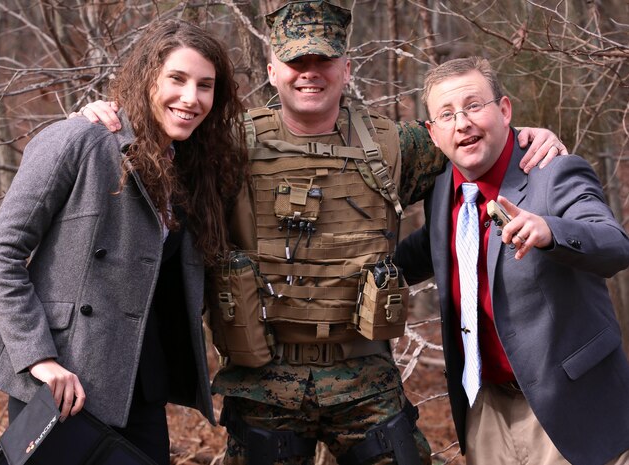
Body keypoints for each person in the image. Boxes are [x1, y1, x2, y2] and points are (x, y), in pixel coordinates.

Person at [76, 3, 566, 464]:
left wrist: (526, 135)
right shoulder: (223, 146)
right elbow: (155, 147)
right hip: (262, 380)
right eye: (295, 60)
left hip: (366, 378)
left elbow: (471, 138)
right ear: (272, 71)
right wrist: (101, 121)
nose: (310, 71)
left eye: (324, 59)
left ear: (345, 69)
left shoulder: (397, 145)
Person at [0, 19, 247, 465]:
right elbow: (2, 253)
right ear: (148, 77)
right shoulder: (79, 140)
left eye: (205, 86)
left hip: (141, 386)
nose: (191, 98)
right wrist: (39, 359)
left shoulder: (193, 169)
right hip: (64, 382)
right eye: (177, 78)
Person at [395, 56, 629, 465]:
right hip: (483, 409)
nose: (462, 122)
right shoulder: (441, 190)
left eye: (474, 106)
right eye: (447, 115)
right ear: (433, 133)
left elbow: (614, 243)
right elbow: (423, 252)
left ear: (504, 110)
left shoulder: (551, 172)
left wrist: (550, 230)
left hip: (569, 406)